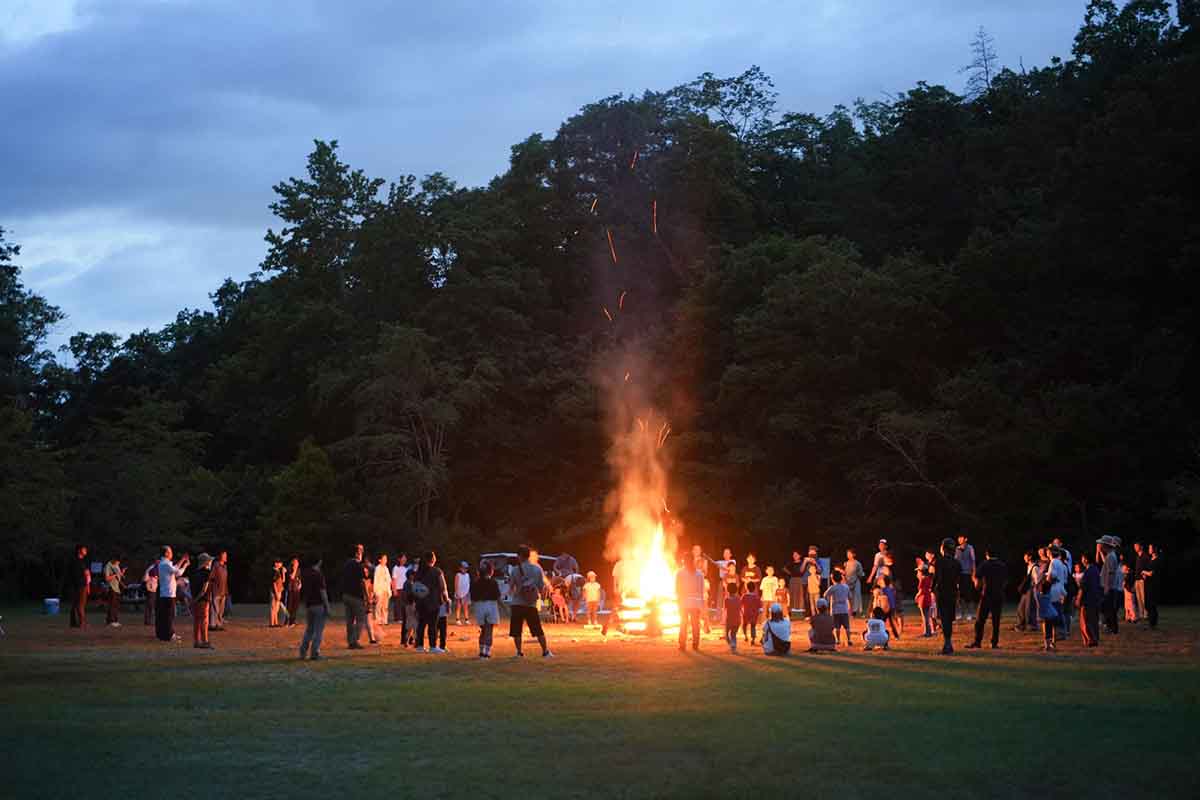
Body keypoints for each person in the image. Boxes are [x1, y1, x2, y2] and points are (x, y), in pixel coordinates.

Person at [508, 545, 553, 658]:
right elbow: (541, 587)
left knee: (516, 630)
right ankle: (545, 651)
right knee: (537, 629)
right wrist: (544, 601)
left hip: (517, 602)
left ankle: (519, 652)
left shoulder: (515, 570)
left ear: (520, 556)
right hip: (531, 604)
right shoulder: (537, 569)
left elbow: (511, 587)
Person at [967, 546, 1007, 649]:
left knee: (980, 620)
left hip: (987, 594)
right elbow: (1005, 581)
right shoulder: (1002, 565)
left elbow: (977, 579)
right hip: (998, 594)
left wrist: (975, 581)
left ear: (987, 554)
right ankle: (994, 642)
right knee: (996, 620)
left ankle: (977, 641)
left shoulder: (985, 564)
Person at [411, 551, 449, 653]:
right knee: (433, 625)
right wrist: (446, 599)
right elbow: (442, 587)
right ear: (433, 559)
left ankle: (419, 645)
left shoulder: (419, 572)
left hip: (421, 602)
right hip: (433, 602)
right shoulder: (437, 571)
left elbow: (414, 587)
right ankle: (433, 646)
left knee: (421, 624)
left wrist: (416, 601)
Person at [933, 538, 961, 655]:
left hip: (942, 592)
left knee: (944, 619)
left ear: (943, 548)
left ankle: (947, 644)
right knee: (949, 618)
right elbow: (959, 579)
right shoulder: (956, 563)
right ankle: (948, 643)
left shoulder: (939, 561)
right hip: (952, 592)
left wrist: (932, 588)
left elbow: (937, 577)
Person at [299, 557, 331, 661]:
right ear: (319, 562)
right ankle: (315, 652)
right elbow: (323, 592)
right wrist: (327, 606)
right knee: (318, 631)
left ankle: (303, 652)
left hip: (309, 605)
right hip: (318, 605)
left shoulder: (305, 574)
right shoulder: (318, 575)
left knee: (309, 630)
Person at [155, 546, 190, 642]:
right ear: (166, 553)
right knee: (169, 616)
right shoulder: (165, 564)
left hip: (166, 593)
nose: (172, 553)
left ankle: (166, 634)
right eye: (170, 551)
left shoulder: (164, 564)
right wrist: (185, 565)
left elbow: (174, 568)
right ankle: (169, 635)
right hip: (168, 594)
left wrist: (182, 560)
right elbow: (178, 573)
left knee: (166, 615)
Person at [341, 544, 369, 650]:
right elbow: (363, 582)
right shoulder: (358, 565)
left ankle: (350, 641)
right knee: (360, 619)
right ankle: (354, 640)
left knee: (349, 620)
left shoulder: (346, 564)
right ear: (357, 554)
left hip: (346, 594)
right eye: (361, 551)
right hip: (356, 596)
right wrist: (366, 596)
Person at [471, 562, 501, 658]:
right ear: (490, 571)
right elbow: (497, 596)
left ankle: (481, 651)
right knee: (489, 630)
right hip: (490, 605)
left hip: (479, 606)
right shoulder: (493, 582)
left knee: (483, 630)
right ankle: (487, 652)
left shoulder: (476, 582)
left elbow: (473, 596)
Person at [675, 556, 704, 652]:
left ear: (684, 561)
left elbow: (677, 588)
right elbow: (701, 590)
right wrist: (701, 604)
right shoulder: (699, 573)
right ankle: (695, 644)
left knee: (683, 623)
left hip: (684, 602)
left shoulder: (680, 573)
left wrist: (678, 600)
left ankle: (682, 644)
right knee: (695, 624)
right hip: (695, 602)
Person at [1078, 552, 1103, 647]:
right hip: (1095, 598)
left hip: (1088, 599)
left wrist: (1078, 599)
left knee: (1085, 620)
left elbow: (1083, 587)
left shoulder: (1088, 572)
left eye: (1083, 558)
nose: (1082, 560)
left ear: (1087, 559)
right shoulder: (1096, 570)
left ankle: (1090, 639)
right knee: (1093, 620)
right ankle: (1094, 638)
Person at [1098, 536, 1121, 634]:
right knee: (1108, 608)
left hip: (1109, 587)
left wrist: (1107, 587)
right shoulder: (1110, 555)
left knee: (1109, 609)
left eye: (1102, 544)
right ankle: (1111, 627)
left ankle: (1112, 628)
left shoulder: (1111, 556)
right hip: (1109, 586)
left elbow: (1110, 573)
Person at [191, 553, 214, 649]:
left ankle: (197, 641)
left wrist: (193, 600)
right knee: (204, 620)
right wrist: (198, 598)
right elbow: (204, 589)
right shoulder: (207, 573)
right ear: (206, 562)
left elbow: (191, 587)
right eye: (209, 561)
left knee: (196, 620)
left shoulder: (195, 573)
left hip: (196, 599)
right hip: (203, 600)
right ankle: (205, 641)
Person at [824, 569, 852, 645]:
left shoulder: (833, 587)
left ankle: (838, 640)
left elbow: (825, 595)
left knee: (837, 626)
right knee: (847, 626)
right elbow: (850, 596)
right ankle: (849, 640)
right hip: (844, 609)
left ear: (833, 579)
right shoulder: (846, 587)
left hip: (835, 609)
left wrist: (828, 601)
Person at [954, 535, 977, 621]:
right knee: (959, 595)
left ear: (966, 539)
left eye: (961, 538)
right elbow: (955, 562)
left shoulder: (970, 548)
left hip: (968, 574)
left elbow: (973, 561)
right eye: (958, 538)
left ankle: (970, 613)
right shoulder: (957, 549)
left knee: (969, 595)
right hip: (959, 575)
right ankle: (960, 614)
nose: (959, 539)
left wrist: (974, 574)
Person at [68, 544, 90, 629]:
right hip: (79, 585)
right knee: (80, 604)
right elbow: (81, 574)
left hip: (80, 585)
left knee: (76, 604)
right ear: (79, 550)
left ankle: (74, 622)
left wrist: (88, 586)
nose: (85, 551)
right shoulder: (76, 561)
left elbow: (87, 573)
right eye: (84, 549)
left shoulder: (82, 561)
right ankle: (82, 623)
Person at [1036, 577, 1059, 651]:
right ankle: (1053, 643)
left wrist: (1039, 581)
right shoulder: (1049, 595)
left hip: (1046, 616)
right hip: (1053, 614)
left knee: (1046, 632)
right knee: (1051, 629)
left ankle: (1047, 646)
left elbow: (1035, 588)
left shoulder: (1039, 596)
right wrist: (1051, 582)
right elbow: (1048, 587)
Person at [1141, 544, 1161, 630]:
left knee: (1152, 603)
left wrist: (1144, 572)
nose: (1149, 549)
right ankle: (1150, 622)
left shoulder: (1157, 560)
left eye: (1150, 548)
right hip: (1147, 584)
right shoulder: (1150, 559)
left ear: (1154, 549)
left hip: (1153, 585)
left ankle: (1153, 624)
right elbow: (1148, 572)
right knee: (1147, 603)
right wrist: (1144, 574)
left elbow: (1152, 573)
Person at [208, 551, 229, 631]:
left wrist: (226, 590)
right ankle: (212, 625)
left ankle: (219, 624)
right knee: (214, 608)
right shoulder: (216, 566)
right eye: (224, 556)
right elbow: (211, 577)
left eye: (226, 556)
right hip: (216, 591)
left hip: (223, 591)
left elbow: (225, 579)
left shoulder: (225, 567)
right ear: (220, 556)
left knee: (221, 609)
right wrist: (212, 589)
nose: (226, 557)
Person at [103, 556, 124, 628]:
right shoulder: (108, 566)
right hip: (111, 587)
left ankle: (115, 620)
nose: (118, 563)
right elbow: (107, 578)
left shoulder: (116, 565)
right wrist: (115, 575)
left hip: (117, 588)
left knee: (116, 605)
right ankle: (111, 621)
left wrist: (121, 573)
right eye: (117, 562)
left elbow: (119, 575)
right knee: (112, 604)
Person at [372, 553, 391, 630]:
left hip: (385, 589)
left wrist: (389, 589)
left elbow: (389, 579)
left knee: (385, 606)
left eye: (386, 559)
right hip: (379, 589)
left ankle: (384, 620)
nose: (385, 560)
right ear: (380, 560)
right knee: (378, 605)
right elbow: (376, 580)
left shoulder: (386, 568)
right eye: (384, 559)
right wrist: (376, 591)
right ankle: (378, 619)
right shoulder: (377, 568)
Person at [1132, 541, 1150, 622]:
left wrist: (1145, 574)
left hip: (1142, 580)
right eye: (1134, 546)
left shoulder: (1145, 556)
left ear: (1141, 547)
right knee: (1138, 598)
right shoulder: (1137, 557)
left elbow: (1148, 567)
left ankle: (1146, 613)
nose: (1135, 548)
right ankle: (1141, 613)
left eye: (1136, 546)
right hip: (1137, 579)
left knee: (1143, 597)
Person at [844, 548, 865, 616]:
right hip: (847, 582)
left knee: (855, 597)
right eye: (847, 554)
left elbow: (861, 574)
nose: (848, 555)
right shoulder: (846, 563)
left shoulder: (857, 563)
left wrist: (855, 580)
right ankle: (849, 611)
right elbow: (845, 573)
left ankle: (854, 612)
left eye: (850, 554)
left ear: (854, 554)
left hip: (856, 582)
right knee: (849, 597)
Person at [915, 565, 934, 637]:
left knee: (924, 617)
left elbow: (921, 590)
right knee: (927, 616)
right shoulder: (929, 578)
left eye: (918, 572)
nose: (917, 573)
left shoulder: (922, 579)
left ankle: (926, 632)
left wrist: (916, 596)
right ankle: (928, 631)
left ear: (921, 572)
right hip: (928, 598)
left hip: (923, 599)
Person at [390, 553, 408, 626]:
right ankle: (398, 618)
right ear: (399, 559)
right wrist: (394, 589)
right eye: (403, 558)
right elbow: (393, 579)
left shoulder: (406, 568)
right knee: (398, 604)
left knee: (404, 604)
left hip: (405, 588)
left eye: (405, 558)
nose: (404, 559)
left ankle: (403, 617)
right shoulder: (395, 568)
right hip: (398, 588)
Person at [723, 582, 741, 653]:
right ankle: (733, 646)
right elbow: (740, 608)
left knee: (727, 634)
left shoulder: (726, 599)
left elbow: (725, 610)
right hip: (737, 619)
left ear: (727, 590)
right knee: (733, 634)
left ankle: (732, 645)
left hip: (729, 619)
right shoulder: (738, 599)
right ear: (736, 590)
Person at [268, 558, 286, 627]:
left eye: (281, 563)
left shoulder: (278, 571)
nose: (280, 564)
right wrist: (276, 593)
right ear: (275, 563)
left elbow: (283, 581)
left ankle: (276, 622)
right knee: (273, 607)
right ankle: (272, 623)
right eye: (279, 563)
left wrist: (283, 573)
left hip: (279, 591)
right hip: (274, 591)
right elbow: (274, 583)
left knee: (277, 608)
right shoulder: (274, 571)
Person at [285, 557, 302, 628]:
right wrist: (294, 570)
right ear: (292, 563)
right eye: (294, 562)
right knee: (289, 606)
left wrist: (300, 584)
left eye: (297, 562)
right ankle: (287, 622)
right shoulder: (289, 569)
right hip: (290, 589)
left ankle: (293, 622)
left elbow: (299, 578)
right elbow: (291, 577)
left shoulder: (299, 570)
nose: (296, 564)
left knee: (295, 606)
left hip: (296, 590)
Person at [141, 558, 158, 626]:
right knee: (149, 605)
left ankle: (149, 620)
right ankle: (147, 621)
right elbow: (145, 579)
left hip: (153, 588)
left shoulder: (155, 567)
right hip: (150, 588)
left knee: (151, 605)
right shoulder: (152, 568)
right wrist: (150, 583)